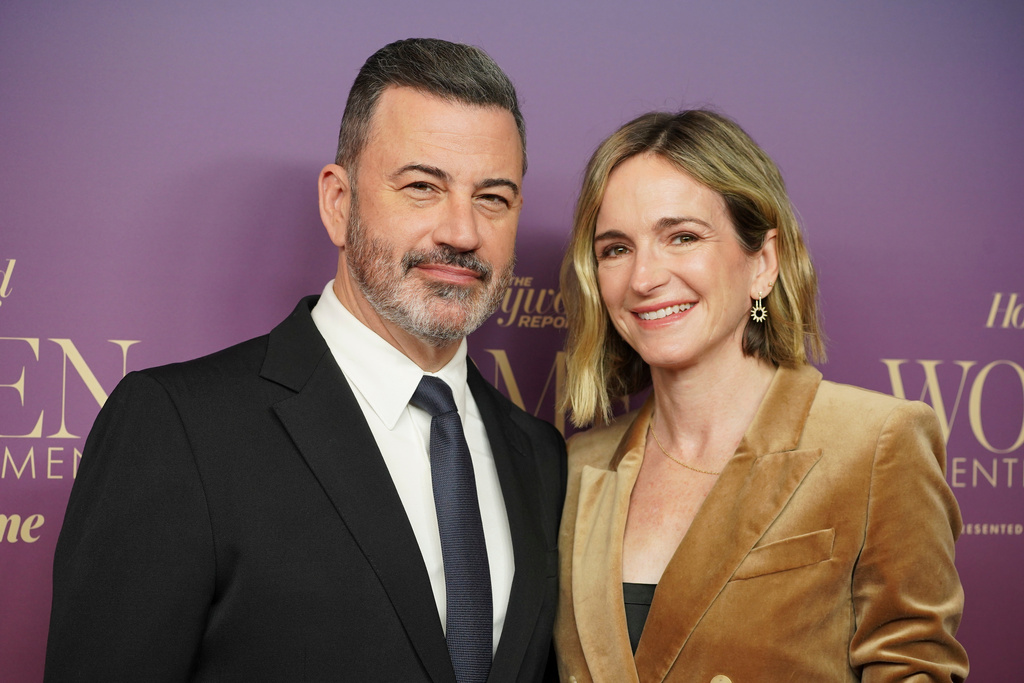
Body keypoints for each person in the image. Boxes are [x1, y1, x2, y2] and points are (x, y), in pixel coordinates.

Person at [45, 38, 565, 683]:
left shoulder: (541, 458)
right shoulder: (179, 429)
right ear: (338, 203)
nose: (461, 232)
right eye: (422, 187)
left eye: (493, 198)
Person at [553, 110, 968, 682]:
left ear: (763, 263)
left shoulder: (877, 444)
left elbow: (915, 668)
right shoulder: (574, 469)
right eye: (616, 248)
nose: (644, 277)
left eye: (682, 237)